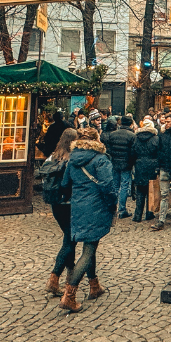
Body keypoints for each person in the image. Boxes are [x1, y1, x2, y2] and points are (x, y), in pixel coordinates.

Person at [59, 127, 115, 314]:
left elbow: (65, 184)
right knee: (89, 249)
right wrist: (111, 205)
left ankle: (94, 285)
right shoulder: (100, 160)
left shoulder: (72, 160)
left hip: (77, 206)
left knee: (89, 246)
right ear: (97, 140)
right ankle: (70, 294)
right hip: (96, 206)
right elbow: (108, 186)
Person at [44, 128, 88, 298]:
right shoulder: (73, 159)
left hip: (56, 204)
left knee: (68, 238)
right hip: (70, 203)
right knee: (69, 241)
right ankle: (54, 279)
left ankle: (69, 275)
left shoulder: (53, 157)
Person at [104, 116, 136, 218]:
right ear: (130, 124)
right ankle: (122, 209)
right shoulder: (132, 135)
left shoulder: (113, 135)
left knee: (116, 185)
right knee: (124, 186)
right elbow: (133, 151)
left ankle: (114, 207)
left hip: (115, 162)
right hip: (126, 163)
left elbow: (109, 149)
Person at [131, 119, 160, 223]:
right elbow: (158, 153)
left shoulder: (136, 138)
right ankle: (149, 213)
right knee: (150, 190)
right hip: (152, 165)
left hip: (139, 165)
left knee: (140, 191)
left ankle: (137, 215)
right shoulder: (156, 139)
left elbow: (133, 152)